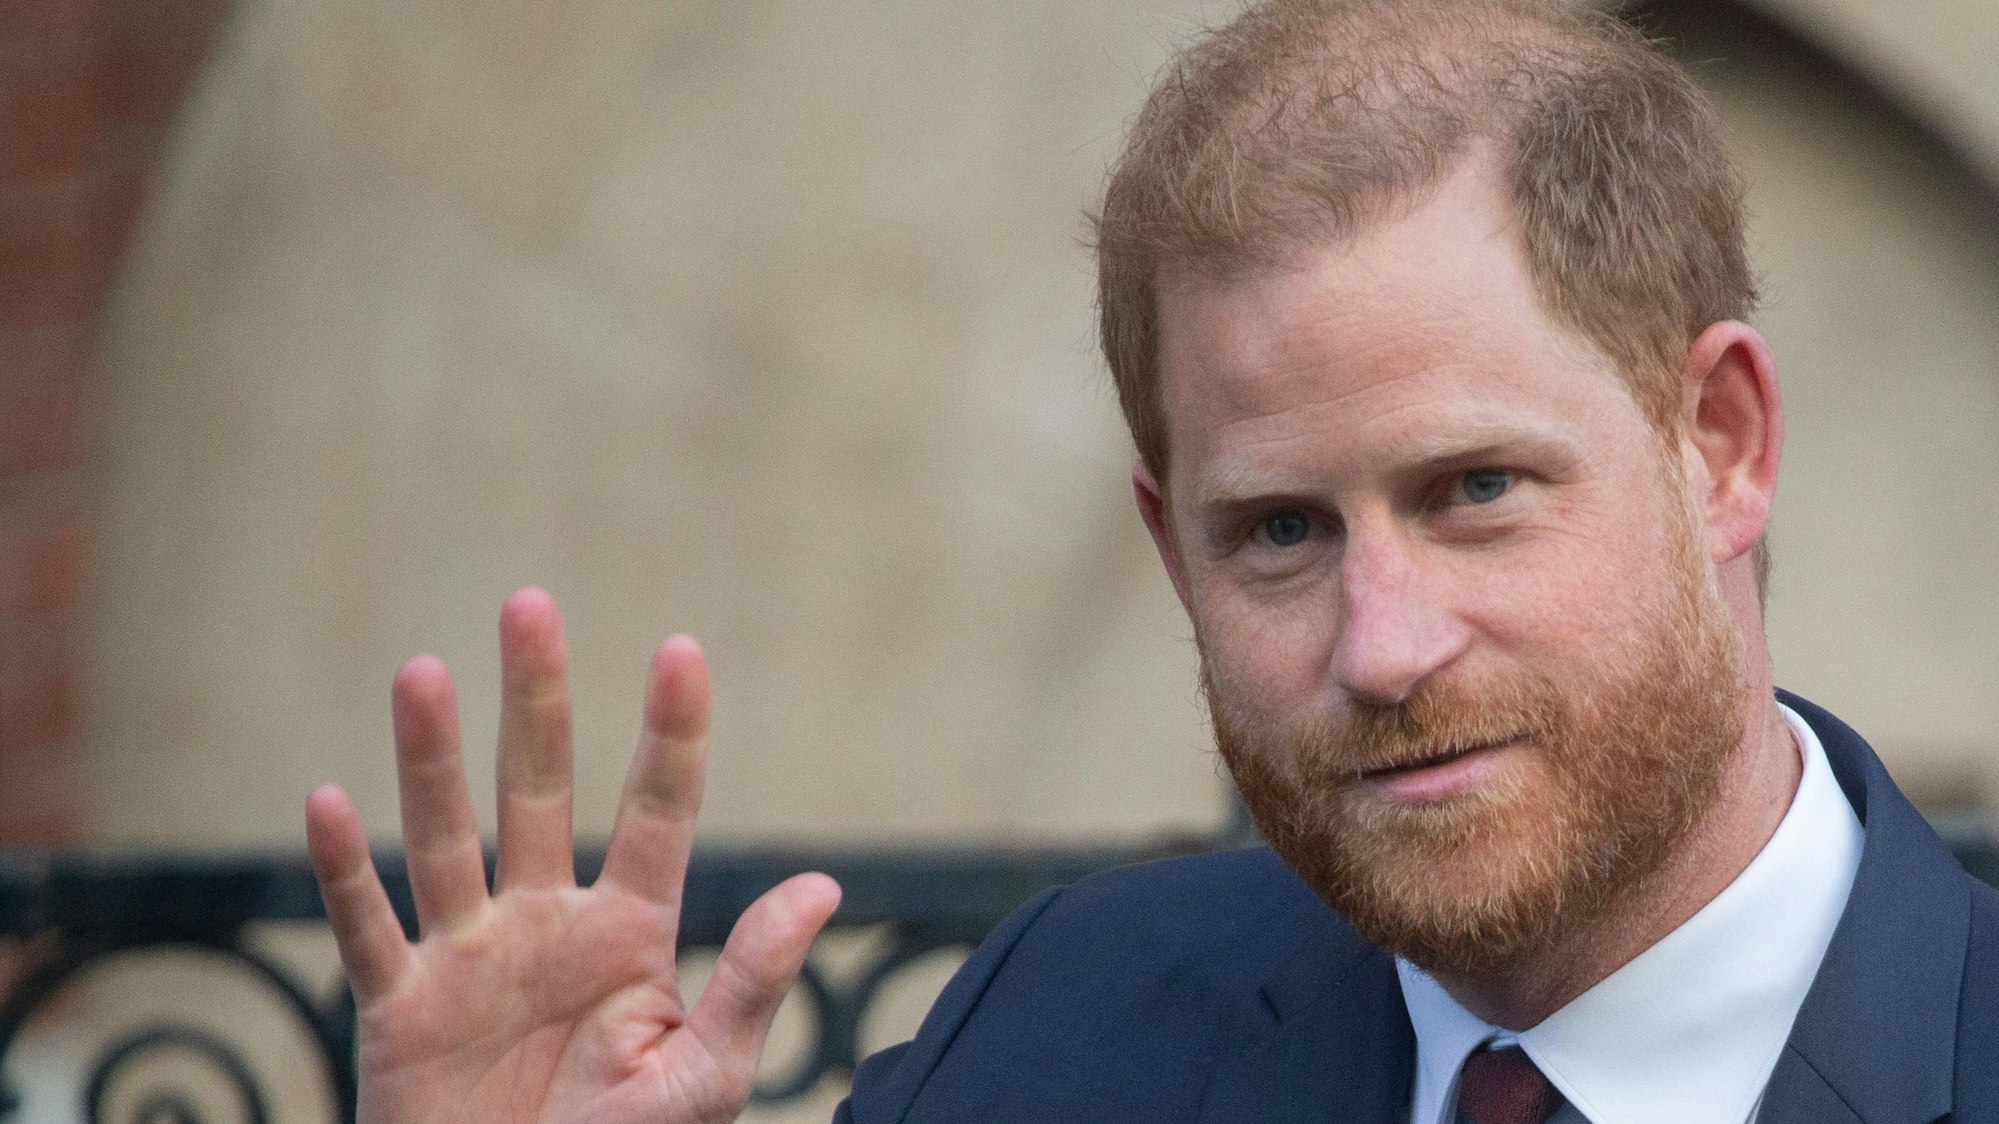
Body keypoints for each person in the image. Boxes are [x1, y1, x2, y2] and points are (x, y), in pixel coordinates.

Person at [304, 0, 1999, 1120]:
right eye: (1278, 532)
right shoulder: (1053, 1043)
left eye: (1478, 488)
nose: (1384, 644)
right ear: (1168, 554)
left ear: (1721, 447)